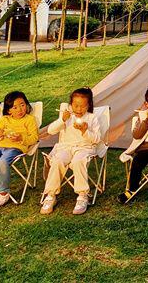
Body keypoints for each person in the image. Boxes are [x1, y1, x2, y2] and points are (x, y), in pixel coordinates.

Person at [41, 87, 101, 216]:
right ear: (71, 105)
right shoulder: (66, 116)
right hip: (65, 147)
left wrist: (85, 131)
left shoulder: (92, 118)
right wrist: (62, 120)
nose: (79, 109)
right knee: (57, 161)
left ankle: (82, 195)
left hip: (84, 148)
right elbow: (50, 131)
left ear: (88, 105)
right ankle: (51, 195)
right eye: (76, 106)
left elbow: (96, 139)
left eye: (83, 106)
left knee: (79, 161)